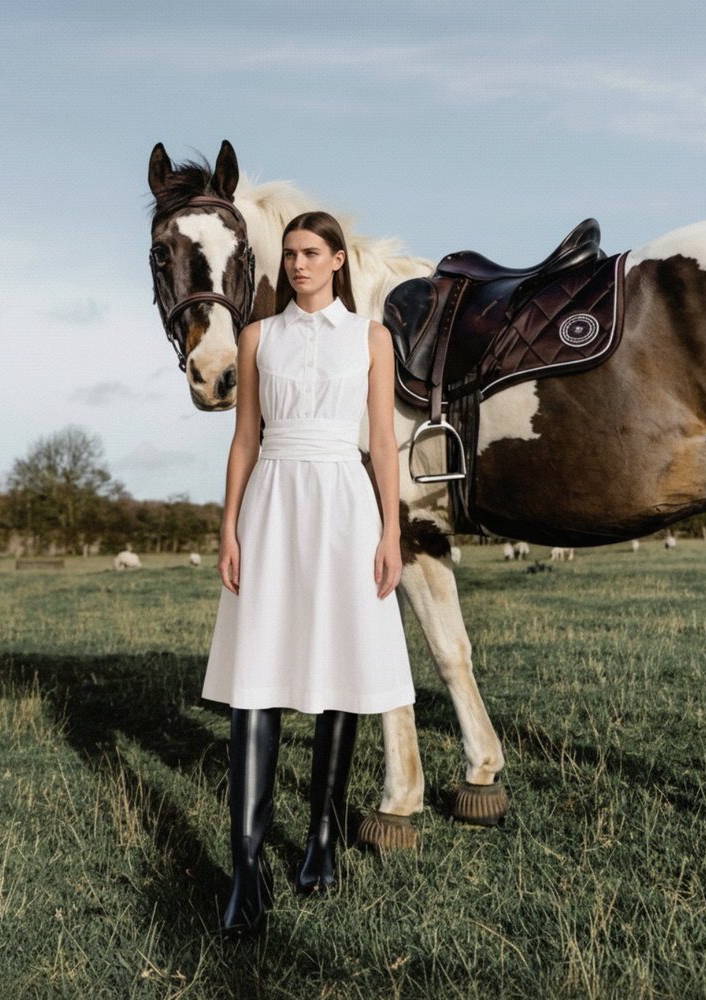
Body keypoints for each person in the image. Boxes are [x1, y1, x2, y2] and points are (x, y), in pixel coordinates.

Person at [201, 211, 414, 937]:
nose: (296, 264)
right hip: (272, 500)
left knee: (341, 664)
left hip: (346, 504)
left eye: (310, 253)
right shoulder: (258, 336)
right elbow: (243, 440)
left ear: (336, 261)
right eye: (289, 253)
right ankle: (247, 867)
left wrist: (391, 529)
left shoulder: (372, 338)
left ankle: (323, 838)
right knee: (254, 677)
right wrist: (228, 526)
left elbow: (383, 443)